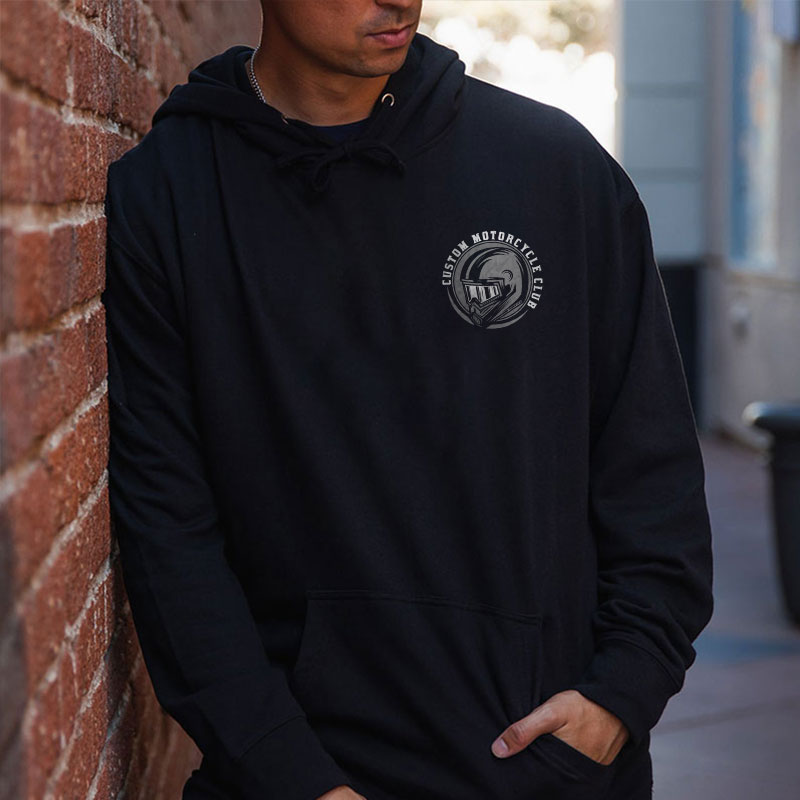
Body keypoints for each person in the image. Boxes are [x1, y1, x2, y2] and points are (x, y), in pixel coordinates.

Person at [101, 1, 714, 798]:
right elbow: (168, 529)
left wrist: (619, 696)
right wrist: (290, 775)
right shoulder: (170, 193)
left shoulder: (554, 168)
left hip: (551, 771)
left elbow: (653, 473)